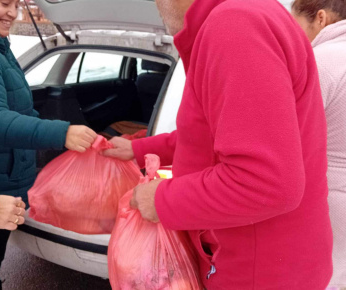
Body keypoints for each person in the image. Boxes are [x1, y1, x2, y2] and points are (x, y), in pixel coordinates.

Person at [103, 0, 333, 288]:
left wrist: (161, 199)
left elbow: (266, 182)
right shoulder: (243, 17)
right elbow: (209, 137)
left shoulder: (235, 25)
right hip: (271, 263)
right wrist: (137, 149)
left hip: (256, 273)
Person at [0, 0, 97, 289]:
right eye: (4, 3)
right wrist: (62, 133)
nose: (12, 13)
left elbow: (21, 111)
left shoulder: (2, 49)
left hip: (10, 186)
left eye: (16, 5)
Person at [291, 1, 346, 288]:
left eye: (296, 24)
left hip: (332, 198)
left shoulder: (322, 60)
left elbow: (288, 135)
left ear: (320, 18)